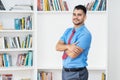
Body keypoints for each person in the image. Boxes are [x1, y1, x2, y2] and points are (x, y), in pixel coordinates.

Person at [56, 5, 92, 80]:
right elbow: (57, 47)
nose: (76, 17)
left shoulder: (85, 34)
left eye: (79, 15)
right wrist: (68, 47)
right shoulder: (68, 31)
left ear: (85, 17)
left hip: (77, 74)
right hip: (65, 72)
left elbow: (73, 54)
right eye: (74, 14)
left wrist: (63, 47)